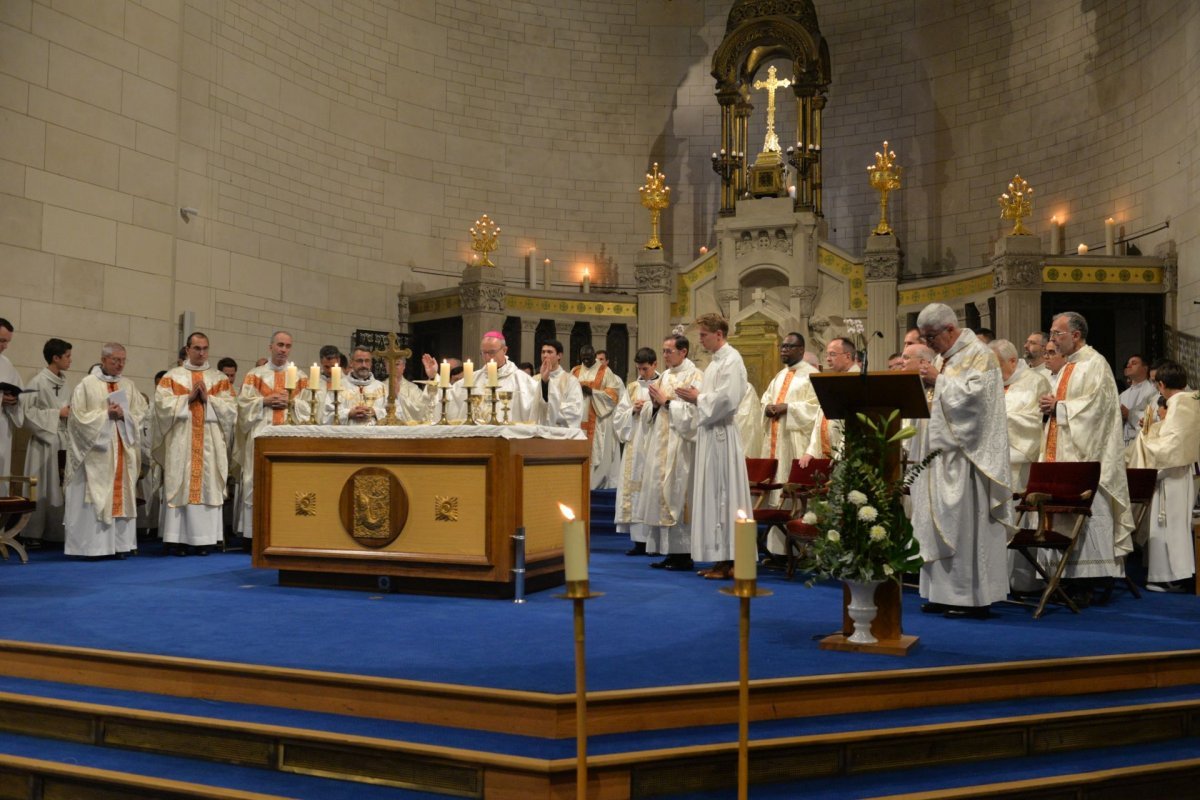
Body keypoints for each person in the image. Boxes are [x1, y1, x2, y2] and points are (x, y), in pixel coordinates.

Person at [909, 303, 1012, 619]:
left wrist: (938, 380)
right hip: (939, 458)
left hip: (968, 459)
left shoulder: (980, 356)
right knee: (936, 526)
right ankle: (941, 593)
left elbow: (976, 403)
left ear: (950, 329)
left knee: (966, 529)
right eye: (925, 338)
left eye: (931, 337)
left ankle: (971, 598)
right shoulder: (945, 357)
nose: (928, 345)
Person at [1037, 311, 1134, 596]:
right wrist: (1048, 407)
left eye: (1057, 333)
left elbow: (1099, 409)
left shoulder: (1095, 364)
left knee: (1090, 513)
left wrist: (1060, 407)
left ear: (1075, 335)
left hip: (1086, 456)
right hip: (1063, 451)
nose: (1051, 339)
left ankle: (1091, 578)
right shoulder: (1067, 367)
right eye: (1052, 333)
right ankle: (1064, 575)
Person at [678, 314, 752, 580]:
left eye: (703, 335)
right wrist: (692, 398)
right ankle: (721, 558)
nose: (700, 340)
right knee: (713, 496)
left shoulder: (732, 361)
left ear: (719, 334)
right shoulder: (713, 364)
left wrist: (699, 398)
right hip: (710, 434)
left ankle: (731, 559)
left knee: (724, 496)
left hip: (722, 435)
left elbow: (728, 400)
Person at [155, 332, 237, 556]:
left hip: (209, 443)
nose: (202, 353)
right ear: (187, 349)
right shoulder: (172, 377)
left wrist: (209, 400)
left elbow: (231, 410)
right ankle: (178, 540)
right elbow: (160, 407)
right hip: (182, 442)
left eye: (205, 348)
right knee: (181, 484)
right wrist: (187, 399)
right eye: (197, 348)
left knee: (208, 485)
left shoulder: (218, 378)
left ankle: (205, 541)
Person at [63, 342, 147, 558]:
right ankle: (93, 548)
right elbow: (77, 419)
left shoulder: (128, 386)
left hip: (121, 451)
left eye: (123, 360)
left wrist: (125, 416)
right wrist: (105, 415)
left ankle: (120, 546)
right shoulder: (87, 384)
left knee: (120, 495)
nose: (120, 365)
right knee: (94, 497)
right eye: (115, 360)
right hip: (96, 455)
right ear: (103, 360)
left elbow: (141, 414)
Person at [1127, 360, 1198, 592]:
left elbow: (1171, 443)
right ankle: (1175, 575)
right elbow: (1173, 432)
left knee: (1167, 524)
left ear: (1161, 384)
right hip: (1178, 471)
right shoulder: (1190, 400)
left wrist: (1146, 439)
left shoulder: (1178, 403)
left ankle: (1166, 576)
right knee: (1174, 525)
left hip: (1170, 472)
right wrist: (1153, 427)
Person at [634, 332, 701, 571]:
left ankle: (684, 554)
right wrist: (651, 406)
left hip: (681, 448)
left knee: (678, 495)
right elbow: (651, 415)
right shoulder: (663, 378)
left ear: (683, 352)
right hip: (660, 444)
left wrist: (666, 403)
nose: (664, 355)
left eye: (668, 351)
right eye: (662, 351)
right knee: (660, 494)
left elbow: (696, 416)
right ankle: (670, 552)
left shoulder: (696, 376)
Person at [236, 331, 309, 540]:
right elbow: (242, 406)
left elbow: (313, 409)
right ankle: (253, 535)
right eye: (280, 345)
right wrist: (264, 401)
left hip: (289, 440)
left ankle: (285, 532)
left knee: (288, 484)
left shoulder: (302, 377)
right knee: (255, 481)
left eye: (287, 346)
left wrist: (292, 402)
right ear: (270, 347)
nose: (283, 350)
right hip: (261, 437)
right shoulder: (255, 375)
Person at [759, 332, 819, 556]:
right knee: (776, 493)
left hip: (795, 442)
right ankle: (778, 552)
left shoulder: (811, 375)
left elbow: (816, 408)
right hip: (776, 442)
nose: (784, 350)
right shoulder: (779, 375)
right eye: (782, 346)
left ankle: (802, 552)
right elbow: (766, 398)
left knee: (793, 492)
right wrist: (767, 408)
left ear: (801, 349)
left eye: (789, 347)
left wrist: (789, 408)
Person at [19, 337, 73, 547]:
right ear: (55, 357)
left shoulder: (65, 382)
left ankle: (55, 533)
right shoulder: (38, 382)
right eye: (67, 356)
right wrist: (56, 413)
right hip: (44, 442)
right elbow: (26, 413)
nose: (70, 360)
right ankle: (33, 533)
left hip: (62, 440)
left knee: (59, 486)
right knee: (42, 486)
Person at [423, 332, 542, 424]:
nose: (487, 357)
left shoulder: (521, 380)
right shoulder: (473, 378)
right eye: (483, 353)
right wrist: (434, 376)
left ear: (504, 350)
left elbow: (539, 408)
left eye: (491, 352)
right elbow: (448, 398)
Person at [989, 339, 1050, 493]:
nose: (992, 371)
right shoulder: (991, 383)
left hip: (1019, 459)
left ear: (1012, 361)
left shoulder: (1036, 382)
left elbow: (1036, 421)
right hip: (991, 458)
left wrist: (997, 418)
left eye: (996, 365)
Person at [613, 347, 658, 556]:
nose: (642, 373)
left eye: (646, 369)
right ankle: (639, 541)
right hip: (636, 444)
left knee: (652, 489)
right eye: (639, 369)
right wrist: (633, 410)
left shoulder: (663, 384)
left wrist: (651, 407)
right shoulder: (631, 388)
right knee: (635, 491)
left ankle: (656, 542)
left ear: (655, 365)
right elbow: (618, 417)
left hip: (656, 442)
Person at [799, 337, 860, 466]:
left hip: (847, 456)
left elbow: (855, 424)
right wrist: (810, 451)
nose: (827, 359)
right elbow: (820, 418)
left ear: (847, 356)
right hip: (828, 453)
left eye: (832, 354)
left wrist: (842, 453)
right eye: (827, 355)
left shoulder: (857, 382)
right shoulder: (834, 380)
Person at [572, 344, 622, 486]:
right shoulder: (575, 371)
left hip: (598, 420)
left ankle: (595, 485)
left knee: (597, 453)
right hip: (578, 420)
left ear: (594, 355)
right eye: (583, 358)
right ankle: (579, 483)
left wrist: (593, 392)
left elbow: (613, 395)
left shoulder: (605, 371)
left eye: (588, 358)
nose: (586, 361)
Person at [334, 346, 387, 424]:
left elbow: (395, 414)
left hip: (374, 434)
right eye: (359, 361)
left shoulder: (382, 387)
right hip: (348, 434)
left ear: (371, 363)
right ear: (351, 362)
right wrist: (349, 413)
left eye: (367, 361)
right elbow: (327, 414)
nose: (364, 365)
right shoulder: (338, 386)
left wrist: (374, 412)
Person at [538, 340, 584, 429]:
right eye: (543, 352)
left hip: (560, 433)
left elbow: (575, 410)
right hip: (539, 433)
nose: (545, 355)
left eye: (549, 352)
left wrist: (547, 409)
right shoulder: (534, 379)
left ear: (559, 355)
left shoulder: (571, 381)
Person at [0, 318, 25, 476]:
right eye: (1, 341)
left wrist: (14, 400)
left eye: (7, 342)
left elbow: (19, 390)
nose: (4, 346)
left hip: (2, 429)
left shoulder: (6, 363)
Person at [1119, 354, 1157, 447]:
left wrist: (1129, 414)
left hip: (1142, 441)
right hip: (1123, 440)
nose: (1128, 365)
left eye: (1134, 363)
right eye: (1128, 363)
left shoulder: (1152, 390)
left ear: (1145, 368)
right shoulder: (1123, 395)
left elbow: (1155, 416)